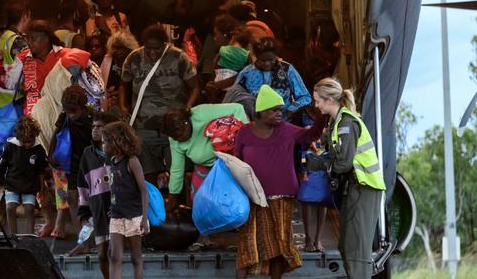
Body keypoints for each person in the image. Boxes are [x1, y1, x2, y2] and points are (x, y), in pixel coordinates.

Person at [234, 85, 324, 279]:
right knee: (247, 244)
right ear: (260, 112)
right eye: (274, 110)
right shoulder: (244, 133)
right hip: (252, 198)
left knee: (279, 245)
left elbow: (311, 135)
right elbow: (237, 161)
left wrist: (322, 116)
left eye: (280, 111)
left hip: (281, 197)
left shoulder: (286, 130)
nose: (279, 114)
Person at [313, 78, 386, 279]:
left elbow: (343, 163)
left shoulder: (347, 123)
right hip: (354, 188)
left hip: (365, 187)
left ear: (329, 100)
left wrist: (320, 165)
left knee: (355, 250)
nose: (316, 105)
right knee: (345, 246)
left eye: (318, 100)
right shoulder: (336, 122)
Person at [162, 103, 248, 250]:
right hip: (203, 166)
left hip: (226, 162)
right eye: (175, 137)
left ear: (186, 122)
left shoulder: (202, 114)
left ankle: (243, 237)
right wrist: (173, 196)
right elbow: (177, 168)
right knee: (199, 200)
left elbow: (238, 108)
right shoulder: (175, 139)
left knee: (233, 199)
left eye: (181, 134)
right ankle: (204, 238)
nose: (179, 139)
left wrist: (241, 136)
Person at [119, 24, 200, 182]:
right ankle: (152, 204)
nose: (152, 52)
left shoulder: (178, 57)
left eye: (157, 48)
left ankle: (177, 203)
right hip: (143, 125)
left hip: (173, 125)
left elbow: (195, 87)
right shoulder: (134, 58)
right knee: (147, 173)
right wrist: (123, 106)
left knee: (177, 171)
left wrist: (187, 108)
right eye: (148, 48)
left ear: (164, 45)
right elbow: (124, 84)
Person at [68, 111, 120, 278]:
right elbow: (83, 186)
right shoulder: (88, 154)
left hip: (118, 212)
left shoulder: (119, 154)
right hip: (98, 211)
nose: (95, 130)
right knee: (102, 255)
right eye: (94, 126)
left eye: (100, 127)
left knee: (114, 253)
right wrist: (84, 212)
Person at [0, 19, 69, 116]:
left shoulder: (64, 55)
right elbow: (9, 83)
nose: (28, 42)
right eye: (27, 38)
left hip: (58, 118)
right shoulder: (23, 57)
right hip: (31, 119)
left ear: (46, 39)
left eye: (33, 39)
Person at [102, 121, 149, 279]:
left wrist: (144, 218)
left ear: (115, 141)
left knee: (136, 258)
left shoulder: (132, 161)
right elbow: (116, 188)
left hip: (134, 216)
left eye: (105, 141)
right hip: (117, 215)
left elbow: (143, 191)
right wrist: (114, 205)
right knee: (115, 257)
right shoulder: (112, 161)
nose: (102, 145)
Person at [49, 84, 94, 239]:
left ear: (82, 106)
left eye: (73, 111)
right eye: (68, 110)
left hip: (90, 162)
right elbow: (56, 133)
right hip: (73, 161)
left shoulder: (90, 118)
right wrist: (50, 154)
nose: (71, 114)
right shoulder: (65, 115)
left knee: (92, 198)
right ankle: (80, 234)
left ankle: (94, 232)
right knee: (71, 197)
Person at [232, 37, 311, 120]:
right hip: (255, 124)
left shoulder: (287, 70)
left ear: (276, 55)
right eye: (263, 60)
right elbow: (235, 96)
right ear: (256, 56)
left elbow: (305, 97)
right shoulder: (247, 73)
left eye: (271, 60)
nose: (267, 64)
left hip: (283, 123)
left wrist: (290, 111)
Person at [0, 116, 48, 234]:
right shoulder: (10, 146)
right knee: (10, 207)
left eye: (30, 141)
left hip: (30, 185)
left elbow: (41, 170)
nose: (27, 144)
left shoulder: (38, 150)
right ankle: (13, 235)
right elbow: (2, 165)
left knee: (29, 209)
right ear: (18, 138)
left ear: (35, 137)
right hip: (12, 183)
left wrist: (42, 187)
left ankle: (29, 235)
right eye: (24, 142)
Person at [0, 1, 30, 111]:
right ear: (24, 17)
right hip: (9, 107)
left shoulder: (3, 37)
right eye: (29, 17)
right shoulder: (18, 42)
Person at [99, 30, 139, 112]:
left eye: (122, 47)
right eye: (116, 47)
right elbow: (101, 83)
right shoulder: (107, 60)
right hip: (109, 105)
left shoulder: (135, 61)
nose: (119, 51)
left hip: (131, 105)